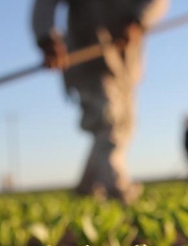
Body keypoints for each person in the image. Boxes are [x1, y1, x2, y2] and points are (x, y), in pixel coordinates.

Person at [32, 0, 169, 204]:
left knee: (124, 127)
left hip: (125, 61)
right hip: (87, 57)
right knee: (109, 122)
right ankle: (117, 187)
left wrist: (137, 20)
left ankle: (86, 189)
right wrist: (46, 37)